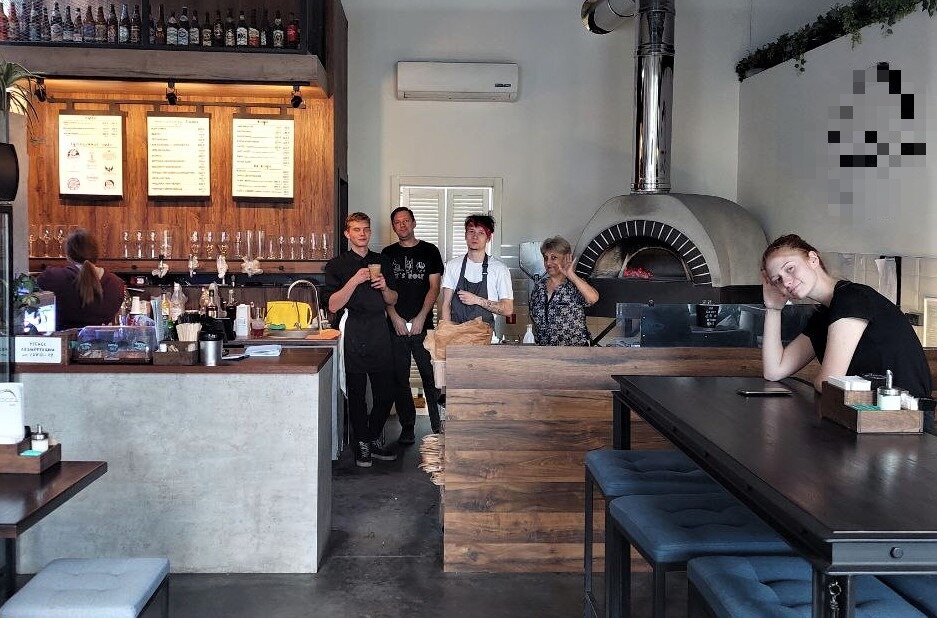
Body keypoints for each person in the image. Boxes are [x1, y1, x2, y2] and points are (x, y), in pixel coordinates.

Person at [760, 234, 932, 419]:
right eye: (777, 280)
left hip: (907, 420)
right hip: (874, 417)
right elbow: (774, 371)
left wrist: (820, 382)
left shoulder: (851, 299)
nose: (786, 282)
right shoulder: (825, 313)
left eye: (790, 269)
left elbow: (827, 383)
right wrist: (773, 308)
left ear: (813, 259)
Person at [325, 212, 400, 468]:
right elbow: (333, 305)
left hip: (379, 328)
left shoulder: (382, 261)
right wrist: (354, 281)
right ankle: (363, 446)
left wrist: (384, 287)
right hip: (353, 329)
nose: (362, 234)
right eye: (356, 229)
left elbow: (393, 300)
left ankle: (369, 437)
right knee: (356, 393)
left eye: (366, 229)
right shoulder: (336, 265)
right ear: (347, 233)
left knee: (386, 392)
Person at [382, 207, 445, 442]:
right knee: (400, 379)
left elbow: (434, 288)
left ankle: (438, 428)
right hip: (395, 326)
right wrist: (394, 317)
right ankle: (407, 427)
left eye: (406, 220)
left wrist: (420, 317)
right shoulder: (387, 254)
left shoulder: (430, 251)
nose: (402, 225)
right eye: (397, 222)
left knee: (431, 377)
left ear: (414, 223)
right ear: (393, 227)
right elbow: (383, 290)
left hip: (423, 326)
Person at [37, 228, 125, 330]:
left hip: (60, 339)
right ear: (96, 253)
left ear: (68, 255)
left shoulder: (51, 277)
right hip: (99, 340)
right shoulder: (116, 284)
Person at [441, 214, 513, 326]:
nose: (475, 236)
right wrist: (447, 331)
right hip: (456, 333)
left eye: (481, 233)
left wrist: (477, 300)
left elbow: (508, 309)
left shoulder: (499, 269)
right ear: (465, 235)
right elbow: (446, 305)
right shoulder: (452, 265)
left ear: (488, 238)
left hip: (484, 334)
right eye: (471, 231)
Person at [529, 236, 599, 346]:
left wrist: (571, 274)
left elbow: (593, 298)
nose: (548, 263)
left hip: (574, 351)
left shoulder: (575, 284)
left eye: (554, 258)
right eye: (546, 258)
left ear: (566, 258)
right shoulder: (539, 286)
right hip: (544, 351)